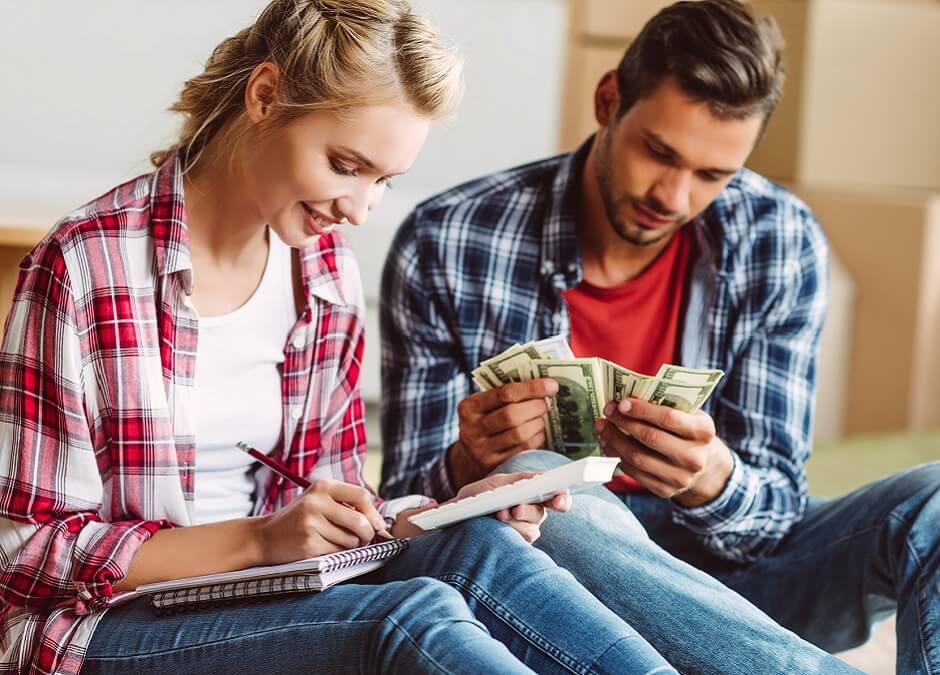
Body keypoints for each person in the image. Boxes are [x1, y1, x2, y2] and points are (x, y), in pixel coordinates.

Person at [0, 2, 679, 674]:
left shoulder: (324, 272)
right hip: (105, 626)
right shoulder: (85, 264)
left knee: (481, 548)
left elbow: (333, 499)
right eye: (346, 165)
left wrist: (430, 514)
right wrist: (260, 539)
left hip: (272, 592)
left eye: (383, 180)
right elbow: (26, 548)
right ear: (266, 96)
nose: (359, 207)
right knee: (407, 618)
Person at [379, 0, 940, 672]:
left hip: (745, 585)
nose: (673, 196)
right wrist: (471, 463)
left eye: (712, 175)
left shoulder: (778, 238)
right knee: (538, 483)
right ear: (608, 98)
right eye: (658, 152)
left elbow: (775, 511)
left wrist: (711, 479)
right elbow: (406, 527)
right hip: (564, 590)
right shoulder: (451, 239)